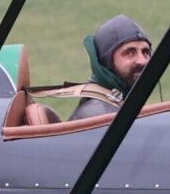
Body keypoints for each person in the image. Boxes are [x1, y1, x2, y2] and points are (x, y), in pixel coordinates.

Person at [20, 14, 152, 126]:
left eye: (146, 52)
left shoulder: (115, 103)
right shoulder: (102, 116)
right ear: (107, 62)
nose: (142, 61)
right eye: (129, 53)